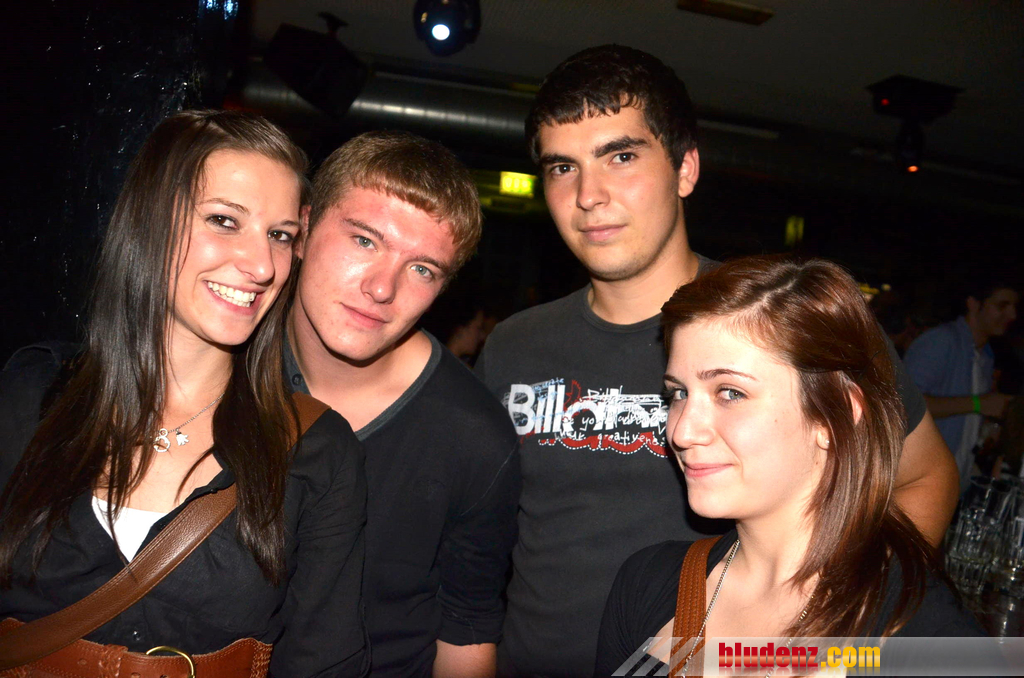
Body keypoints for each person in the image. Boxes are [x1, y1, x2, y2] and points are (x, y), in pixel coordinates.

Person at [475, 44, 959, 676]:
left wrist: (838, 634)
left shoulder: (783, 324)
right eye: (563, 167)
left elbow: (925, 477)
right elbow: (475, 541)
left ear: (685, 169)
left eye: (621, 156)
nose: (589, 194)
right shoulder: (513, 345)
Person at [0, 110, 368, 676]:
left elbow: (325, 661)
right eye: (224, 220)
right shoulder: (29, 398)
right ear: (150, 221)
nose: (261, 265)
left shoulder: (315, 451)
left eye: (279, 236)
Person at [595, 257, 982, 676]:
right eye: (678, 394)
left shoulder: (922, 638)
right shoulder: (649, 585)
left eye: (730, 393)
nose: (683, 431)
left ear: (833, 416)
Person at [285, 130, 520, 677]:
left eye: (421, 269)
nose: (382, 288)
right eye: (365, 240)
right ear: (302, 228)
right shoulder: (220, 364)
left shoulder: (473, 438)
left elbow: (466, 632)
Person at [904, 278, 1019, 492]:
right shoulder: (941, 341)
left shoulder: (985, 355)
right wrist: (978, 403)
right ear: (973, 303)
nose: (1012, 315)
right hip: (914, 485)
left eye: (1014, 307)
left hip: (952, 485)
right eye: (1002, 305)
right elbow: (902, 405)